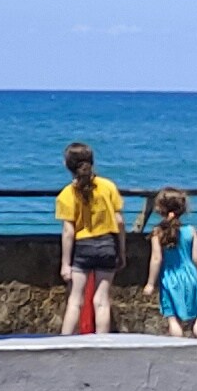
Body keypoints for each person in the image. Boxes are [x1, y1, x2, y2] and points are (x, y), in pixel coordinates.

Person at [53, 141, 126, 336]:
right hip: (107, 245)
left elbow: (69, 232)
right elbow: (119, 222)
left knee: (75, 300)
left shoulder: (66, 194)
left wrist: (65, 264)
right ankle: (102, 344)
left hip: (82, 247)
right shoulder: (108, 186)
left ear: (68, 166)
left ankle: (65, 342)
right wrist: (121, 252)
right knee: (101, 300)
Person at [149, 188, 197, 339]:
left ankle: (178, 348)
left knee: (172, 318)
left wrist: (150, 283)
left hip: (170, 278)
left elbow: (156, 259)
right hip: (191, 276)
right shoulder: (191, 230)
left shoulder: (158, 232)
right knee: (196, 317)